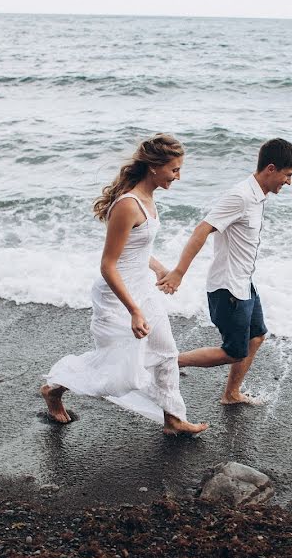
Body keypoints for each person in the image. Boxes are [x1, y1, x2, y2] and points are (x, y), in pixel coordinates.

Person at [41, 134, 208, 436]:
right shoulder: (128, 205)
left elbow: (138, 249)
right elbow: (108, 265)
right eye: (174, 169)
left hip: (143, 288)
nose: (178, 176)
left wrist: (159, 269)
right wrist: (133, 310)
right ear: (154, 167)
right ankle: (54, 388)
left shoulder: (148, 200)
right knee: (118, 372)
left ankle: (173, 419)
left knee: (167, 353)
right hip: (118, 297)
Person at [157, 138, 292, 404]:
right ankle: (168, 362)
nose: (289, 182)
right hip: (228, 288)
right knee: (234, 351)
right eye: (288, 175)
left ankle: (231, 394)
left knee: (256, 337)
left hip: (244, 283)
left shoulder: (257, 196)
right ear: (271, 168)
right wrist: (179, 272)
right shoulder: (241, 197)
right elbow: (202, 229)